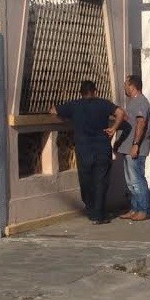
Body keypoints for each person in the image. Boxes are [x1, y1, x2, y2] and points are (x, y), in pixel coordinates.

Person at [50, 80, 126, 225]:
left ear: (81, 92)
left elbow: (53, 110)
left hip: (84, 149)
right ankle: (98, 214)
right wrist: (114, 127)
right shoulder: (103, 104)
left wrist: (65, 117)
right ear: (94, 91)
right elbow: (120, 112)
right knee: (101, 181)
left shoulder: (74, 105)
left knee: (86, 181)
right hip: (102, 147)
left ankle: (91, 210)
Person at [117, 74, 150, 221]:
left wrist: (135, 145)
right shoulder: (132, 102)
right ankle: (135, 208)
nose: (124, 87)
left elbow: (141, 123)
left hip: (135, 148)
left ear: (132, 86)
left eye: (126, 84)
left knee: (137, 180)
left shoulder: (141, 102)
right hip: (127, 148)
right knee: (131, 182)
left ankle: (143, 209)